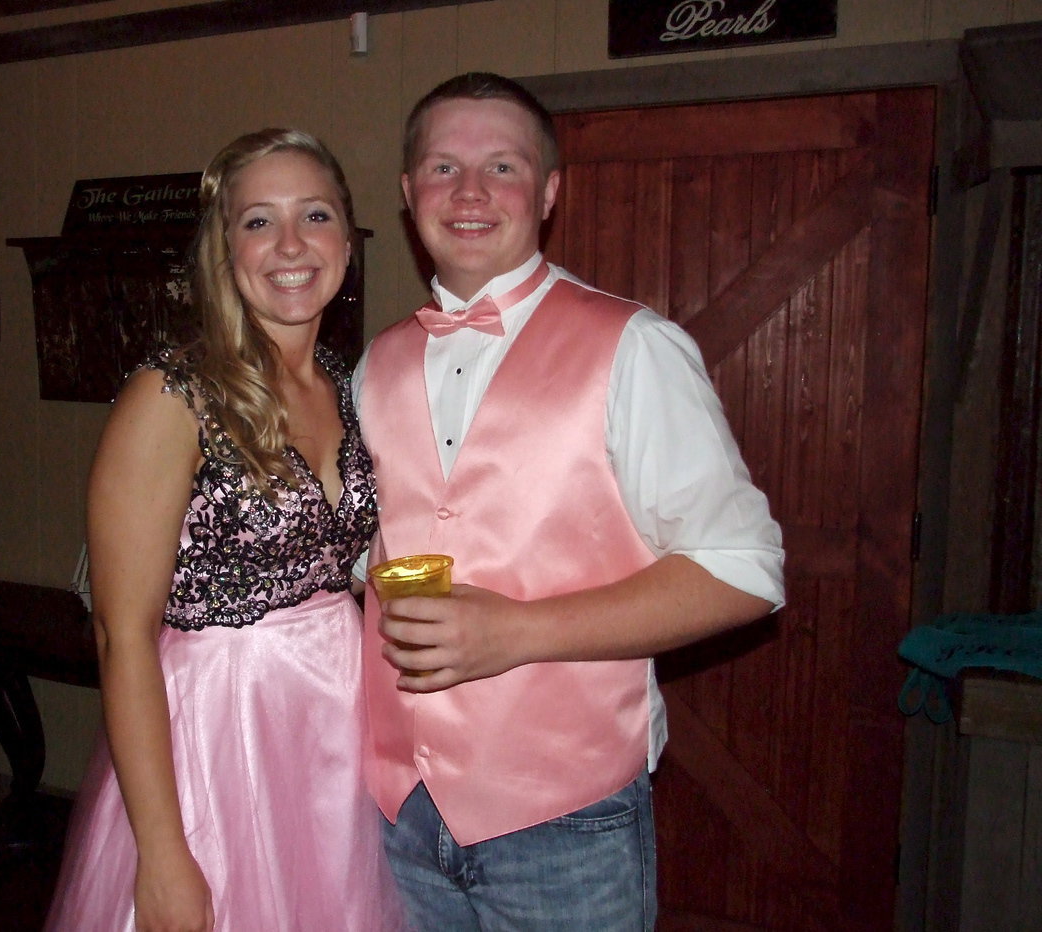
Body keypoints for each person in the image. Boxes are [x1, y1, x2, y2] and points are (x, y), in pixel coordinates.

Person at [352, 73, 785, 930]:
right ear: (408, 196)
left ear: (549, 192)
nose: (469, 192)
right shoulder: (374, 365)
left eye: (502, 167)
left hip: (566, 825)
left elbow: (746, 571)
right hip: (396, 813)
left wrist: (517, 631)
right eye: (443, 167)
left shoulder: (637, 348)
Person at [45, 129, 404, 931]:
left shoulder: (350, 386)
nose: (289, 245)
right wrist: (164, 855)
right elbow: (120, 636)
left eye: (314, 215)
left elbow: (352, 566)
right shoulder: (169, 394)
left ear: (347, 237)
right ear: (222, 249)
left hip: (336, 726)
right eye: (257, 221)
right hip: (218, 736)